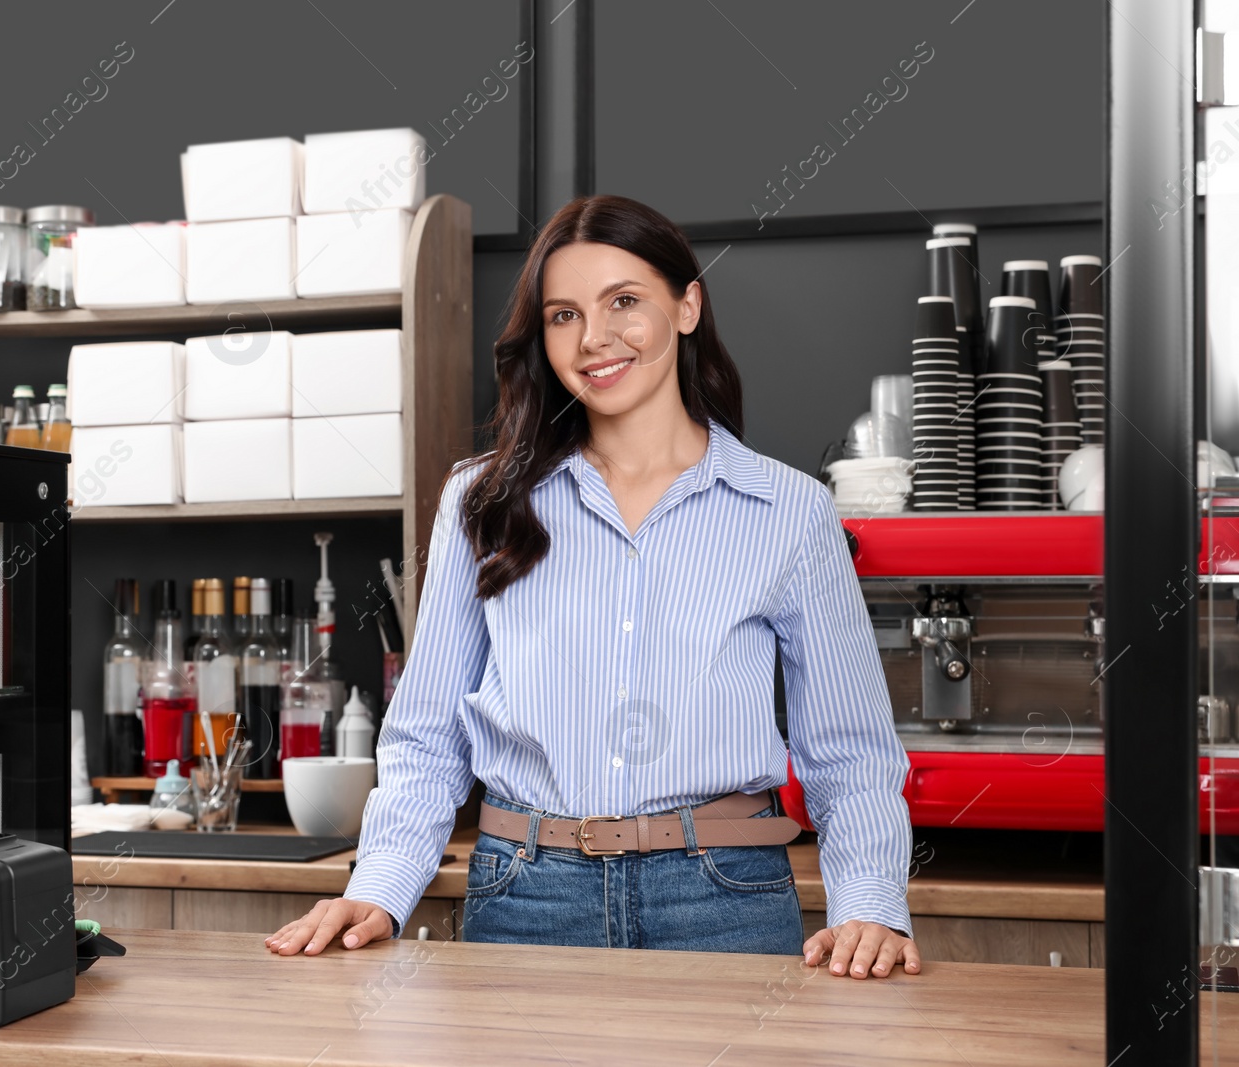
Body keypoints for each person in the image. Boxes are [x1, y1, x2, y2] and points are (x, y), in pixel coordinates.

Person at [266, 195, 920, 980]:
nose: (595, 339)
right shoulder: (482, 500)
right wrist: (378, 887)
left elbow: (849, 751)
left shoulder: (790, 511)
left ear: (686, 305)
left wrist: (871, 904)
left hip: (723, 895)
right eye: (564, 314)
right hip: (528, 891)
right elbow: (427, 732)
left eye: (625, 302)